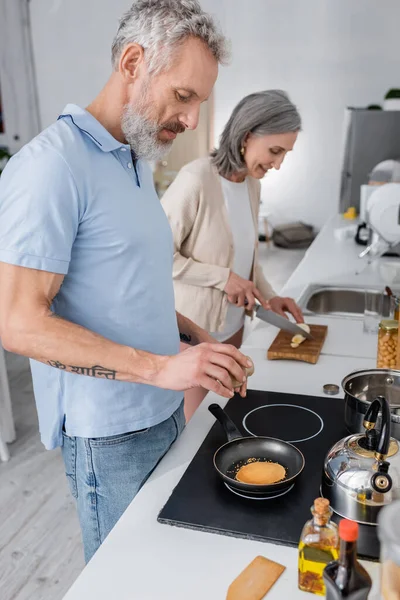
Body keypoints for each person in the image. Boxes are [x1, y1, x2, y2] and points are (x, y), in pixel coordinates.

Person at [0, 0, 252, 563]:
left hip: (161, 410)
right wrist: (163, 368)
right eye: (183, 97)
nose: (191, 120)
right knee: (126, 581)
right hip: (108, 434)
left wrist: (196, 341)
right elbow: (17, 324)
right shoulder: (51, 167)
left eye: (199, 103)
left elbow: (134, 286)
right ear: (133, 62)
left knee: (160, 571)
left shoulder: (134, 160)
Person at [162, 90, 304, 421]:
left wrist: (271, 297)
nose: (278, 164)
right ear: (246, 136)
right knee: (195, 427)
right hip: (194, 334)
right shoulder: (195, 179)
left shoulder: (252, 184)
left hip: (234, 327)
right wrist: (223, 279)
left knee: (222, 419)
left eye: (284, 154)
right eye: (275, 151)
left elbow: (246, 259)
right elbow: (156, 257)